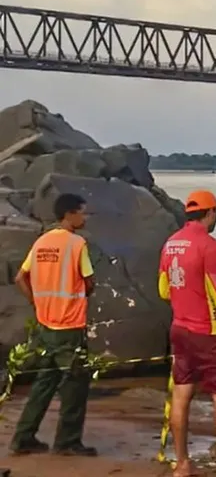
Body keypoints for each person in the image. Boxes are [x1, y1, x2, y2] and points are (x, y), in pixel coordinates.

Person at [158, 190, 216, 477]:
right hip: (207, 333)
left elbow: (163, 289)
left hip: (179, 329)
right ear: (210, 214)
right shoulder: (210, 246)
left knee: (182, 394)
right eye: (215, 213)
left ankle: (182, 463)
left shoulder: (170, 243)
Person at [8, 193, 97, 457]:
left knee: (44, 381)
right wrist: (83, 291)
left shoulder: (41, 242)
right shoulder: (77, 244)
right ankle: (67, 441)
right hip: (69, 325)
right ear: (69, 214)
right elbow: (89, 281)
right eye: (82, 212)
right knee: (75, 382)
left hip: (46, 324)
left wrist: (37, 302)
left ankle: (23, 437)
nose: (85, 216)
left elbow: (19, 278)